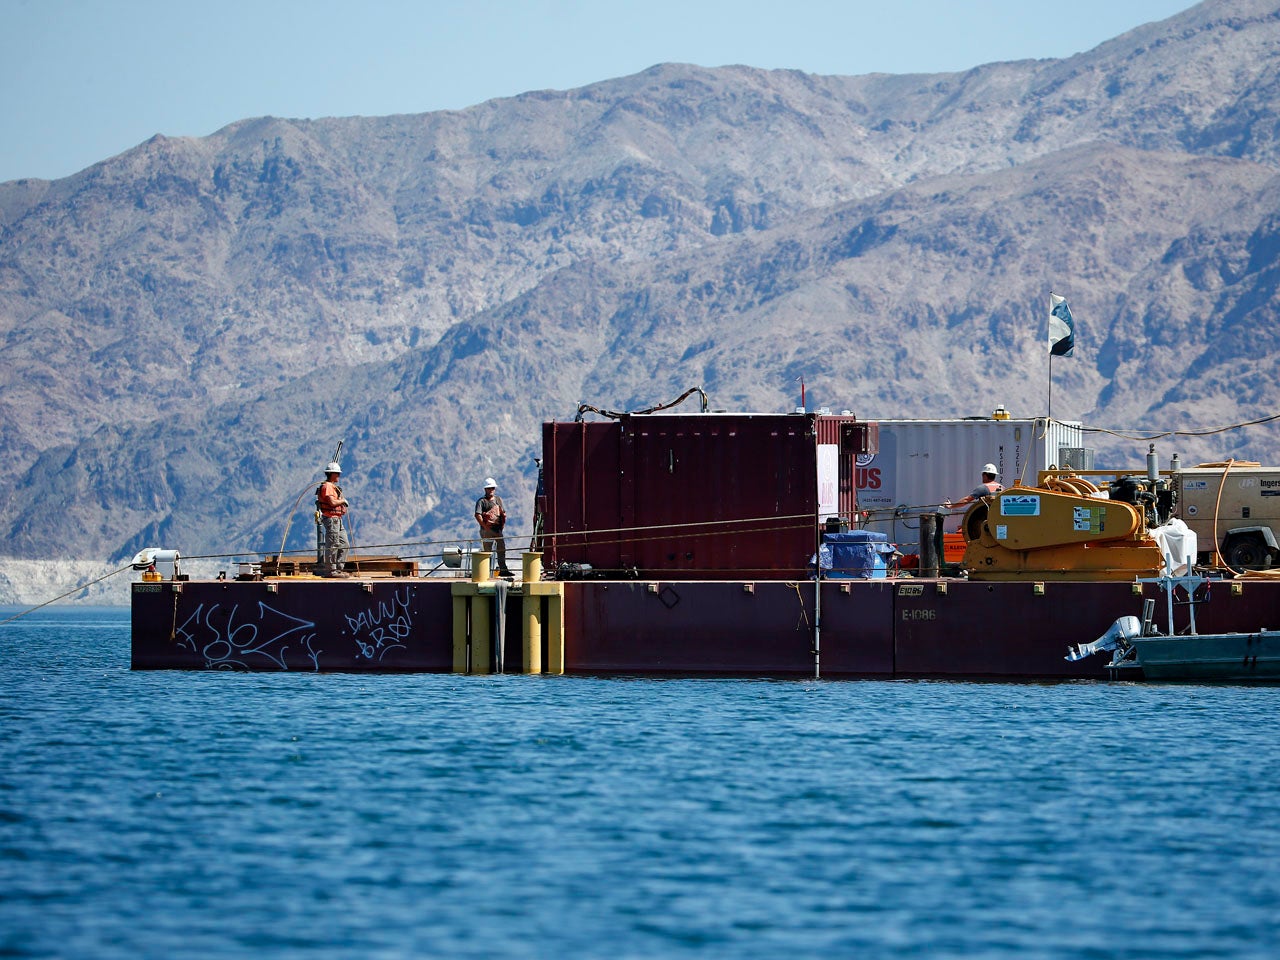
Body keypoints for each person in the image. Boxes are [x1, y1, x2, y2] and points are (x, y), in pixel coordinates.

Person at [316, 461, 350, 578]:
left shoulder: (333, 487)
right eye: (337, 474)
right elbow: (332, 502)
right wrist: (343, 501)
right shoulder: (327, 487)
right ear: (332, 474)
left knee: (344, 544)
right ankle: (331, 570)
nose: (339, 476)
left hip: (337, 519)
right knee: (333, 544)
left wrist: (342, 508)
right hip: (331, 520)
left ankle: (339, 568)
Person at [474, 477, 512, 577]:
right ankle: (485, 572)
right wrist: (485, 526)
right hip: (486, 530)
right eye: (489, 488)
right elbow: (477, 515)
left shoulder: (498, 499)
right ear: (485, 489)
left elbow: (502, 512)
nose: (491, 490)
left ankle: (503, 570)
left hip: (497, 529)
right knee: (487, 551)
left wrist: (501, 524)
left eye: (492, 488)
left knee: (501, 549)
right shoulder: (481, 501)